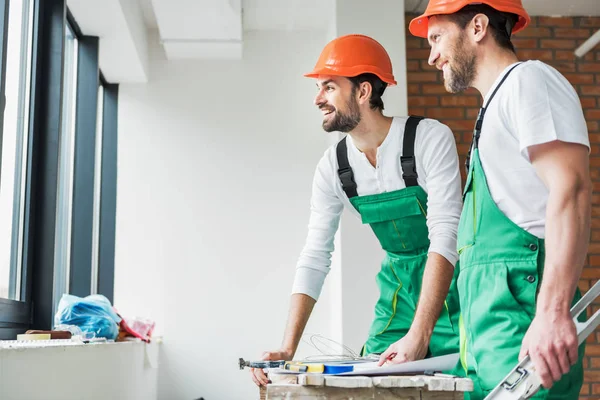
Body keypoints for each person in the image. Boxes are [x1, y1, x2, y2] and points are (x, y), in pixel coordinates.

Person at [250, 34, 464, 387]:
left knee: (463, 384)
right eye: (319, 88)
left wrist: (420, 334)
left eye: (329, 87)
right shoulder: (333, 166)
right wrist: (288, 348)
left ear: (364, 92)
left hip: (454, 283)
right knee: (373, 383)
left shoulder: (427, 138)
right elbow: (315, 255)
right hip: (398, 293)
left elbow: (446, 234)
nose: (318, 98)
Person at [409, 1, 591, 399]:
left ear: (477, 27)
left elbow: (572, 188)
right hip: (487, 349)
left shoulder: (528, 82)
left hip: (525, 339)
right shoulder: (492, 108)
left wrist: (553, 311)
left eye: (437, 38)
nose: (432, 56)